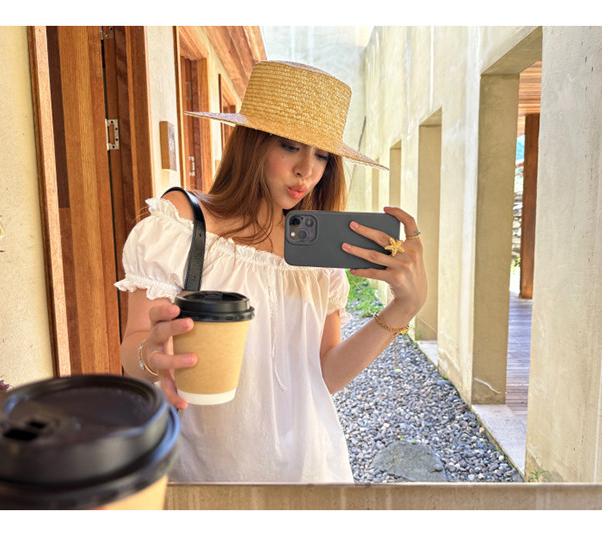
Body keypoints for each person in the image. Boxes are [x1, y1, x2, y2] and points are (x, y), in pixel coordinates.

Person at [115, 60, 427, 483]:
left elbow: (324, 374)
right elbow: (136, 346)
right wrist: (150, 356)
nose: (307, 170)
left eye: (322, 155)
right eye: (289, 146)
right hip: (207, 474)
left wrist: (404, 308)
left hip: (312, 470)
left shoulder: (318, 253)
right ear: (252, 145)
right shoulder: (181, 225)